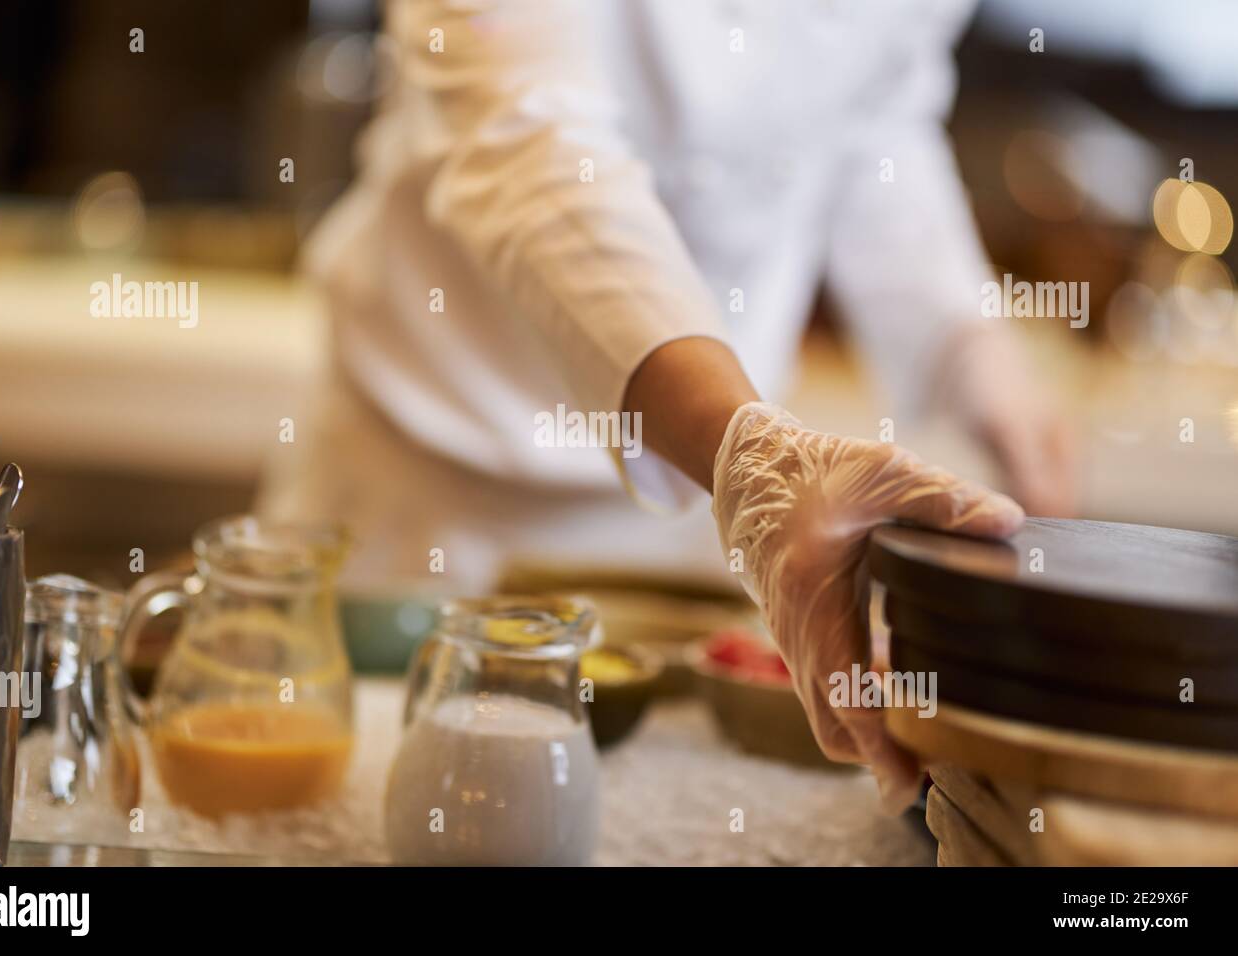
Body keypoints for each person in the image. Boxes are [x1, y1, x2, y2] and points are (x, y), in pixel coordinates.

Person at [258, 0, 1076, 807]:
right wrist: (747, 451)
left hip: (696, 520)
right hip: (428, 481)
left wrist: (968, 344)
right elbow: (530, 144)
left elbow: (875, 120)